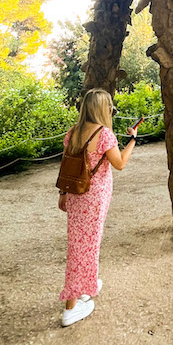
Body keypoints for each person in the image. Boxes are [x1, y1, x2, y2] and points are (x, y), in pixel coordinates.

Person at [58, 88, 138, 327]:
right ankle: (70, 308)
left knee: (82, 244)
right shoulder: (104, 135)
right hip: (94, 199)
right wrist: (133, 139)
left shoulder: (72, 133)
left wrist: (63, 193)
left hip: (75, 195)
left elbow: (66, 165)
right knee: (84, 248)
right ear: (102, 108)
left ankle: (85, 287)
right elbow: (120, 164)